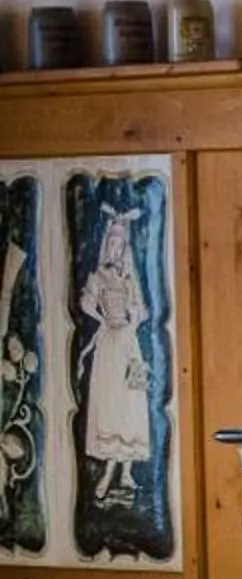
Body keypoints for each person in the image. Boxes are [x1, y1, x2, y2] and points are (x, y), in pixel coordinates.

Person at [78, 207, 151, 506]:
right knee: (110, 403)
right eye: (112, 243)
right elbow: (85, 302)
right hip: (109, 342)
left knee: (130, 403)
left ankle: (126, 471)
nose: (116, 248)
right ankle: (109, 471)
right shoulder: (100, 276)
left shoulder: (128, 278)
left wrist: (132, 319)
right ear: (106, 245)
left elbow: (142, 310)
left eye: (120, 244)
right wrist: (102, 318)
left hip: (127, 342)